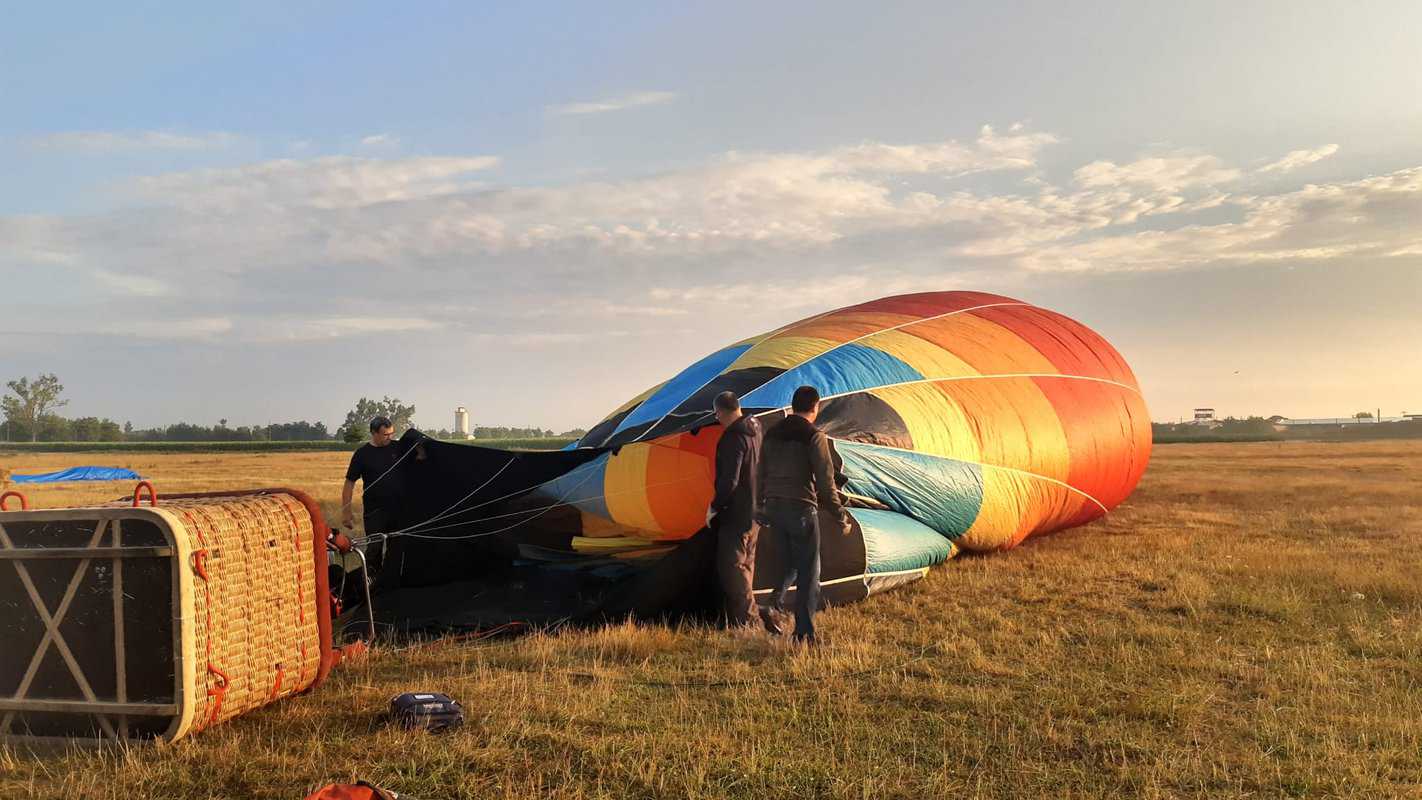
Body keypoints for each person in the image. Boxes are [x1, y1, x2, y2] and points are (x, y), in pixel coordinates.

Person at [756, 385, 852, 645]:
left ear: (793, 404)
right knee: (811, 572)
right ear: (816, 407)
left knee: (792, 564)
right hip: (800, 508)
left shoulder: (772, 433)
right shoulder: (814, 436)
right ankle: (804, 634)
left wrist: (759, 507)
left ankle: (773, 605)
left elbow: (759, 471)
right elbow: (825, 482)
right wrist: (840, 515)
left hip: (773, 506)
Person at [707, 390, 763, 628]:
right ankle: (743, 617)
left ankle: (749, 622)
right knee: (747, 565)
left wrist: (714, 507)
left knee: (733, 567)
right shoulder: (757, 428)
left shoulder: (732, 438)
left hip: (737, 513)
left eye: (716, 415)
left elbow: (729, 480)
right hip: (756, 511)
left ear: (720, 412)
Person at [342, 416, 408, 588]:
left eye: (392, 433)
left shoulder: (398, 448)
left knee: (396, 549)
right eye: (386, 434)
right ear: (373, 433)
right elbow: (349, 483)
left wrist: (422, 453)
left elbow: (417, 453)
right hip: (375, 512)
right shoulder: (362, 454)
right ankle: (370, 586)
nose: (390, 437)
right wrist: (346, 512)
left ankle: (390, 584)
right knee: (374, 549)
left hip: (398, 510)